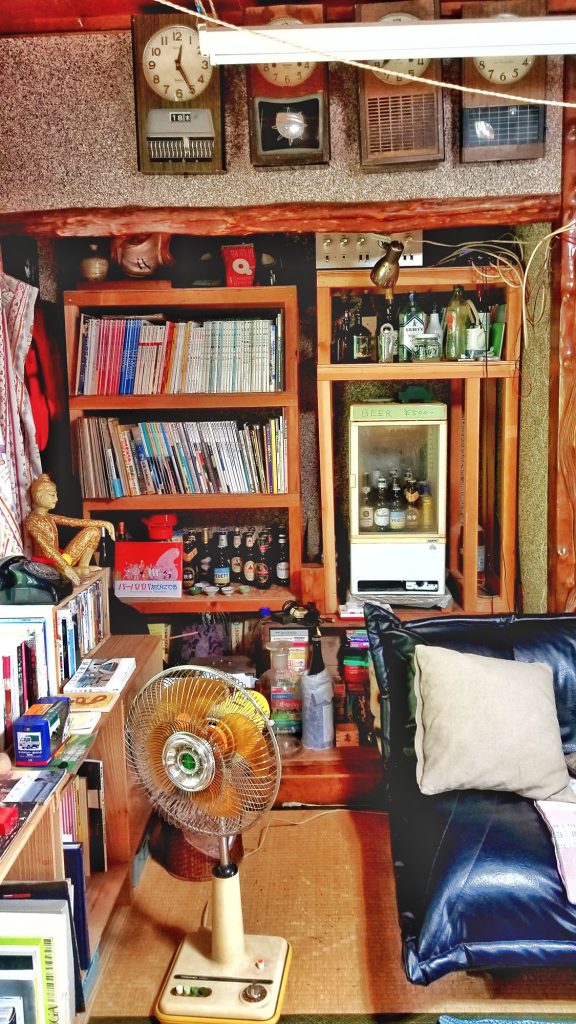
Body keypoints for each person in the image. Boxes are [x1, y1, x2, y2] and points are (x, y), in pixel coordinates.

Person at [24, 473, 114, 585]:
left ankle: (82, 567)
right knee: (59, 567)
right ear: (38, 496)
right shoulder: (31, 520)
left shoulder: (48, 517)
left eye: (56, 495)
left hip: (62, 560)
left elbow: (75, 522)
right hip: (47, 565)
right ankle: (62, 572)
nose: (56, 499)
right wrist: (65, 567)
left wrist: (103, 523)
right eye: (52, 495)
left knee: (94, 531)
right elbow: (47, 547)